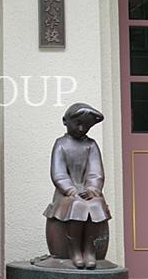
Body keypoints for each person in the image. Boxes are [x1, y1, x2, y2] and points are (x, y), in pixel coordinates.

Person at [43, 103, 111, 269]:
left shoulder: (91, 145)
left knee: (96, 204)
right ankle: (74, 250)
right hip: (66, 193)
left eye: (86, 125)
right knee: (77, 205)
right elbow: (58, 173)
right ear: (65, 121)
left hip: (88, 191)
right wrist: (71, 190)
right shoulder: (61, 144)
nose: (81, 128)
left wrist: (92, 189)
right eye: (78, 123)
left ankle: (89, 249)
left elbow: (95, 172)